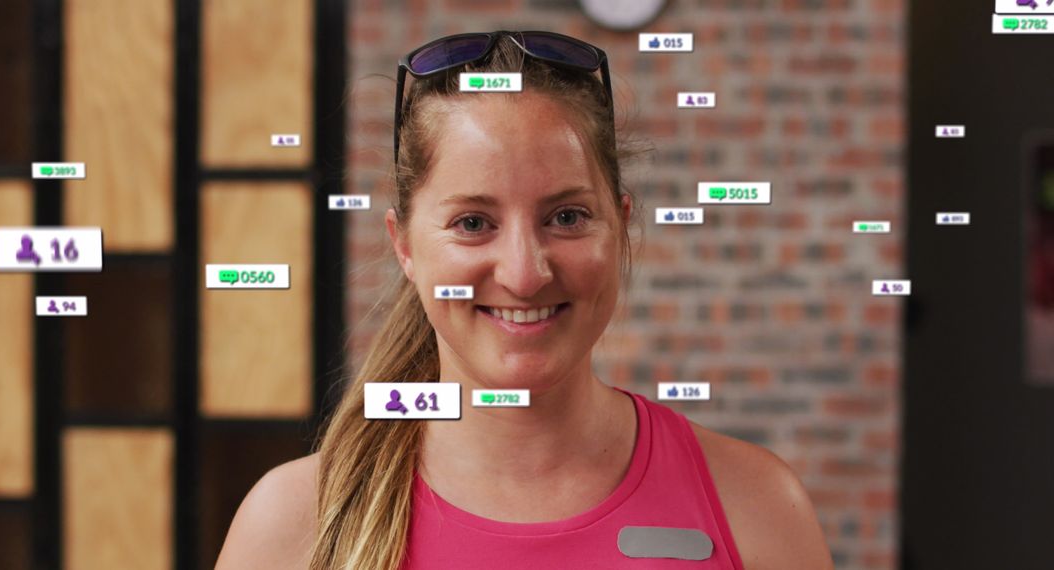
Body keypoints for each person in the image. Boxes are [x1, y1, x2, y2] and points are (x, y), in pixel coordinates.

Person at [215, 31, 832, 570]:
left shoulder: (756, 506)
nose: (525, 273)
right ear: (403, 244)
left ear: (619, 227)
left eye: (566, 216)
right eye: (473, 223)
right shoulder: (294, 523)